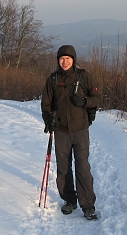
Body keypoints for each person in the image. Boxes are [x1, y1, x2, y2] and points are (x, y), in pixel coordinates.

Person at [41, 45, 101, 220]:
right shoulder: (52, 80)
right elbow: (45, 104)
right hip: (61, 130)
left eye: (68, 58)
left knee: (82, 167)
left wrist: (83, 102)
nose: (65, 61)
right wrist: (48, 119)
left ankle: (88, 205)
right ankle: (69, 200)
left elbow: (96, 98)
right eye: (62, 59)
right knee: (64, 167)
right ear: (58, 61)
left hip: (80, 129)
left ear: (74, 60)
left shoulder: (84, 77)